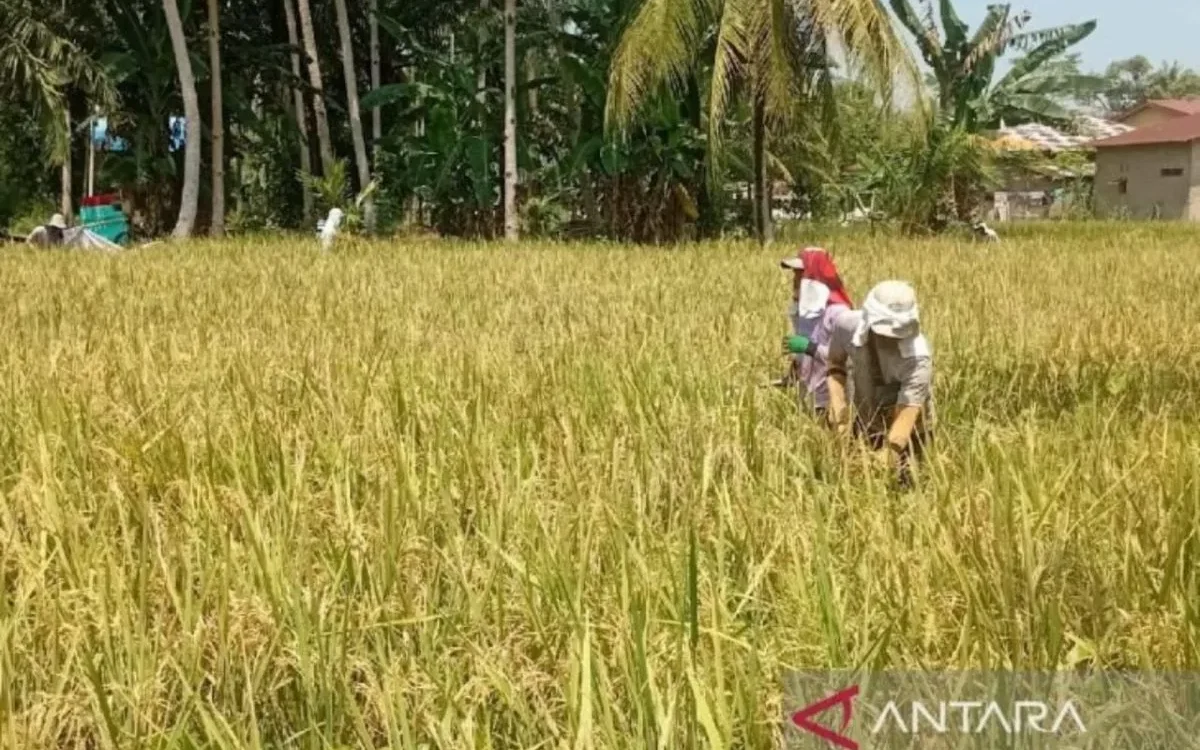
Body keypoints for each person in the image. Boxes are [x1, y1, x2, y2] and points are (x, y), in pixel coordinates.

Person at [824, 279, 934, 488]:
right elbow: (834, 365)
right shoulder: (846, 326)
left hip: (910, 434)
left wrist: (883, 459)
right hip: (867, 421)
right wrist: (840, 413)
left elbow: (904, 422)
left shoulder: (919, 358)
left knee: (908, 488)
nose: (890, 338)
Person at [776, 247, 855, 416]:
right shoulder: (804, 312)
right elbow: (804, 356)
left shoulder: (840, 315)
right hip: (809, 398)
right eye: (795, 275)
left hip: (832, 401)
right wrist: (791, 374)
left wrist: (809, 347)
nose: (795, 281)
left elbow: (849, 360)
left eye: (801, 275)